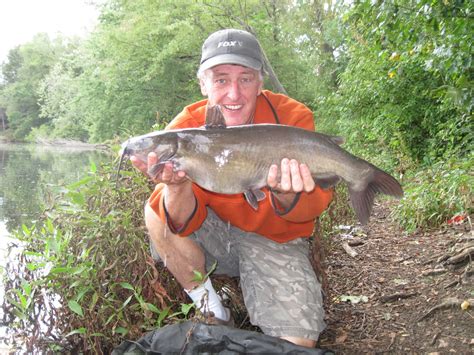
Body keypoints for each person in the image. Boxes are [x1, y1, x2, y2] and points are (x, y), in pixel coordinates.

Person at [131, 28, 333, 348]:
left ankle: (266, 296)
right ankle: (214, 312)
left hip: (273, 236)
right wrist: (177, 186)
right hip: (218, 233)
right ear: (203, 84)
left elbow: (316, 204)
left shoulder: (292, 117)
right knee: (156, 210)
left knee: (296, 344)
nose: (234, 94)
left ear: (260, 82)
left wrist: (286, 193)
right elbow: (180, 222)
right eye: (221, 79)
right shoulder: (187, 127)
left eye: (245, 79)